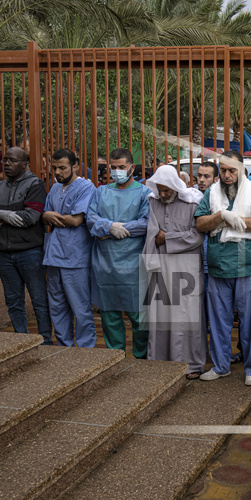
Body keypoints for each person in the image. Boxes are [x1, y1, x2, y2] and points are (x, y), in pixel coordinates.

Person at [195, 152, 251, 385]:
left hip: (246, 265)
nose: (227, 175)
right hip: (218, 266)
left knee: (249, 320)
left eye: (232, 171)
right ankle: (220, 366)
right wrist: (221, 215)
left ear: (241, 169)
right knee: (219, 320)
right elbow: (200, 223)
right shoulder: (211, 193)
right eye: (223, 170)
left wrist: (227, 220)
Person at [142, 165, 207, 374]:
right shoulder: (152, 201)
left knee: (186, 315)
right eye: (160, 190)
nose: (163, 194)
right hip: (160, 264)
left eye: (166, 190)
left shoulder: (193, 202)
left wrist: (167, 237)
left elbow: (196, 236)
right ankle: (160, 362)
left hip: (186, 266)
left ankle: (191, 365)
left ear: (175, 187)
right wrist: (161, 238)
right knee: (161, 314)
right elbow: (152, 230)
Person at [0, 147, 52, 344]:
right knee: (13, 302)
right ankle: (22, 341)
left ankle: (46, 341)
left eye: (12, 160)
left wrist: (0, 217)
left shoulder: (34, 184)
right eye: (5, 160)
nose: (6, 164)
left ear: (24, 164)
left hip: (29, 252)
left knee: (39, 300)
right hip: (4, 253)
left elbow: (31, 218)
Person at [87, 148, 149, 357]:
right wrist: (110, 225)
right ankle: (116, 358)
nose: (117, 171)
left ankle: (142, 359)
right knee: (109, 316)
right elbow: (91, 218)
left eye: (122, 167)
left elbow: (146, 223)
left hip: (134, 264)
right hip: (106, 263)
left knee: (140, 317)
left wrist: (113, 230)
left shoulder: (144, 193)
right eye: (113, 167)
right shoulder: (101, 191)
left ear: (132, 167)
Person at [42, 149, 97, 347]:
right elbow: (45, 214)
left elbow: (75, 220)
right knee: (57, 306)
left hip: (75, 257)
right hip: (54, 256)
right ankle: (65, 348)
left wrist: (50, 216)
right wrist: (47, 216)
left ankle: (86, 349)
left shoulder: (86, 188)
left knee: (80, 307)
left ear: (75, 166)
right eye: (54, 167)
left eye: (62, 168)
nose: (57, 172)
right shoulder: (55, 188)